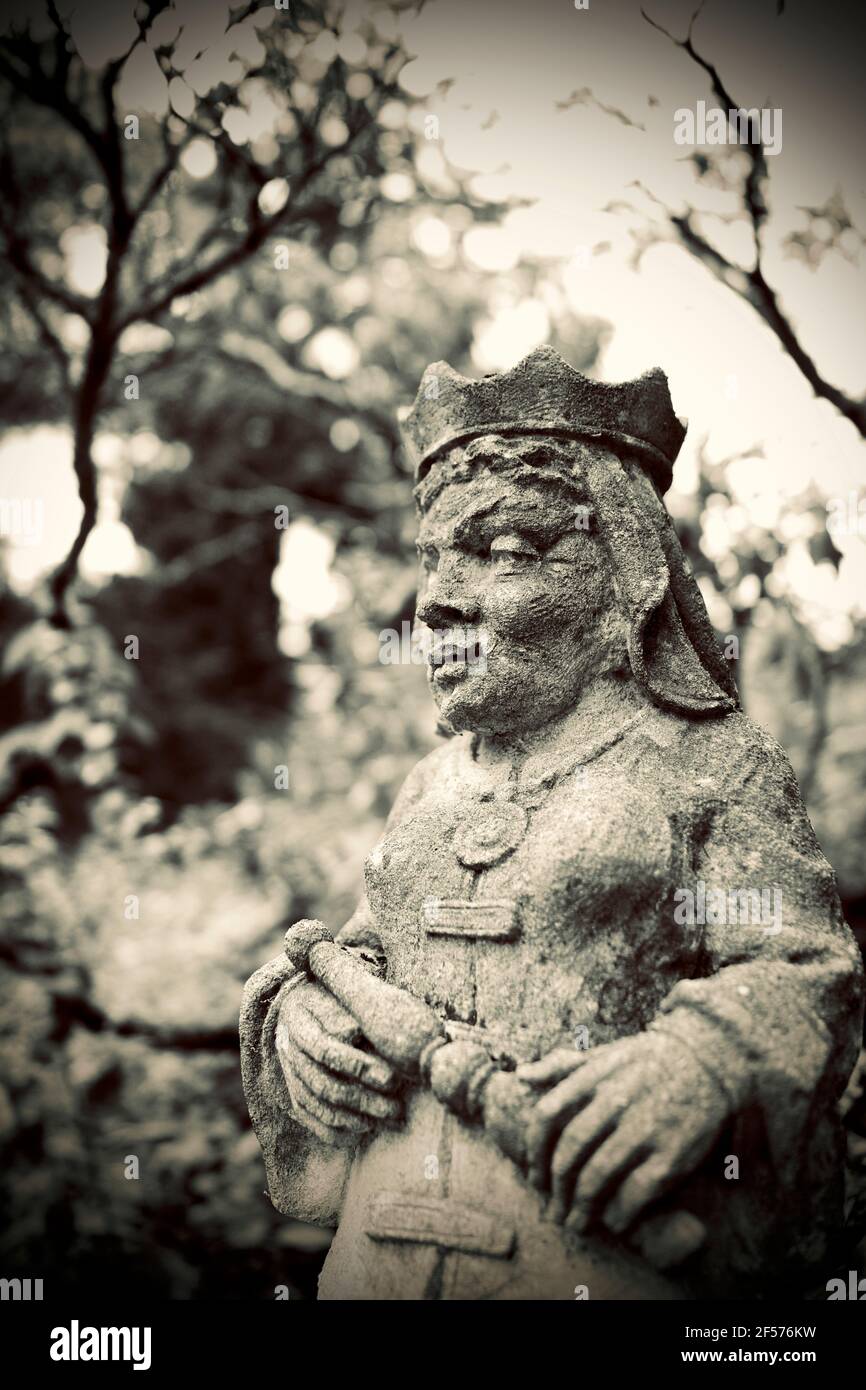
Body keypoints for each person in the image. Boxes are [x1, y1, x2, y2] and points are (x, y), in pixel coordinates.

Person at [241, 347, 863, 1300]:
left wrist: (701, 1058)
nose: (438, 600)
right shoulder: (429, 788)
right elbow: (354, 953)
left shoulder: (710, 765)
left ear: (626, 574)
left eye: (507, 552)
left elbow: (805, 969)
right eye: (433, 557)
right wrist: (298, 1016)